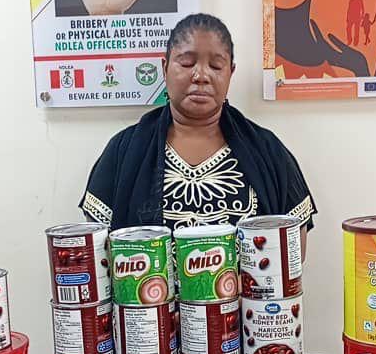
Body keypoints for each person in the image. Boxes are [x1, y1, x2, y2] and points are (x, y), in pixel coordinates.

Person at [81, 14, 316, 257]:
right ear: (164, 68)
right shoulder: (124, 150)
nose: (201, 76)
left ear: (231, 72)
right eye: (186, 63)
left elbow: (293, 248)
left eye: (216, 66)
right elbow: (97, 251)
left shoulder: (267, 150)